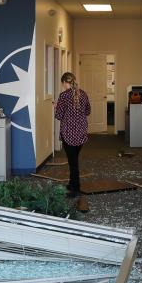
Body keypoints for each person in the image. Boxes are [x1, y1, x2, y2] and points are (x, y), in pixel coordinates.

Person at [54, 72, 91, 203]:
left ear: (65, 82)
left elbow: (58, 115)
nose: (62, 86)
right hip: (81, 132)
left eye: (62, 83)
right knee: (73, 160)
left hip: (68, 133)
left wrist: (56, 107)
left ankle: (76, 189)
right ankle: (71, 183)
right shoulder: (84, 94)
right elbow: (88, 111)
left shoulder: (63, 96)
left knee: (73, 162)